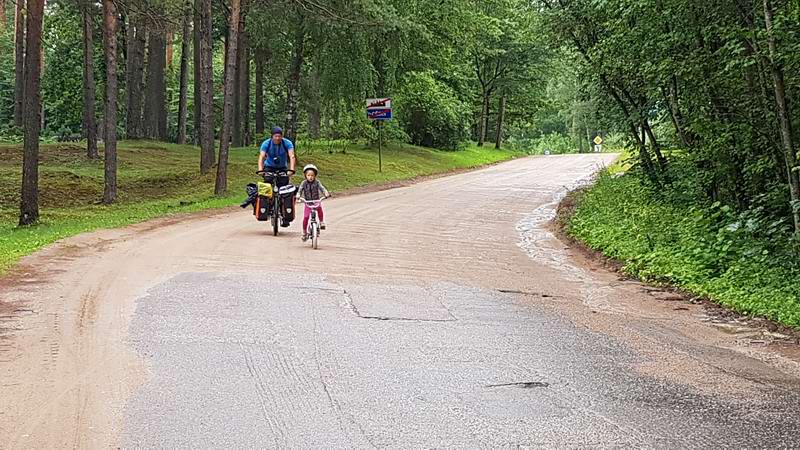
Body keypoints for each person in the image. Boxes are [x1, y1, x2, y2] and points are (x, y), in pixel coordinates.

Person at [298, 164, 330, 241]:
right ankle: (304, 231)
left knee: (319, 208)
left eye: (312, 175)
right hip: (308, 202)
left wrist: (326, 193)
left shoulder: (317, 182)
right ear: (305, 175)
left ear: (315, 175)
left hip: (316, 201)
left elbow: (322, 188)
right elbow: (300, 190)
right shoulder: (303, 183)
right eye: (308, 175)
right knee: (306, 217)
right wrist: (298, 195)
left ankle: (321, 222)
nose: (310, 177)